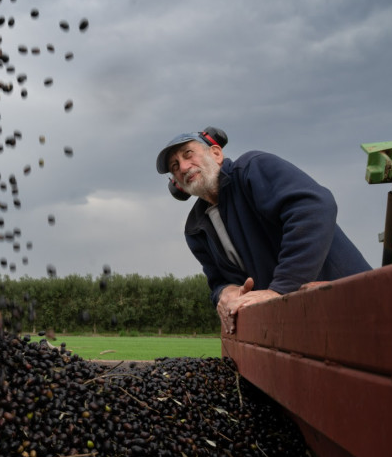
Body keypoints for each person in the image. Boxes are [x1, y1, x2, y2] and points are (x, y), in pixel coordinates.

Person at [156, 127, 372, 333]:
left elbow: (314, 208)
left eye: (188, 154)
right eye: (175, 166)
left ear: (216, 153)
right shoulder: (195, 229)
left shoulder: (252, 169)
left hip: (351, 306)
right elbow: (216, 279)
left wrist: (280, 289)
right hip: (296, 326)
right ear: (178, 185)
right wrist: (225, 291)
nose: (183, 167)